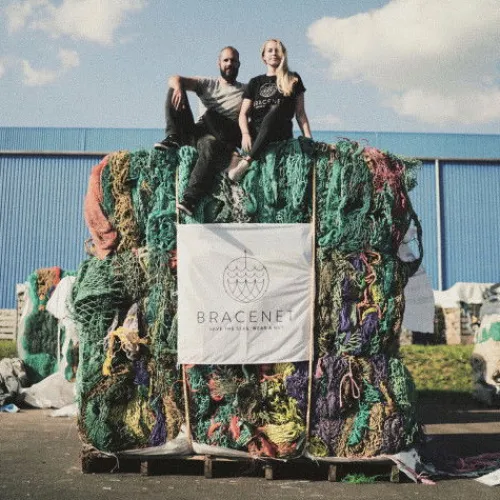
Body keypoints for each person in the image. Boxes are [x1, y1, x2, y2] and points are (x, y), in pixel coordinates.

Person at [154, 47, 245, 215]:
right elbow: (174, 78)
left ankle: (190, 199)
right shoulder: (207, 83)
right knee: (175, 88)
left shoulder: (245, 90)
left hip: (219, 135)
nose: (229, 64)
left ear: (239, 64)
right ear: (219, 63)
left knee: (209, 143)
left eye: (233, 61)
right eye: (226, 60)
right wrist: (179, 87)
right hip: (198, 129)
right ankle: (173, 137)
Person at [230, 39, 312, 182]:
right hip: (256, 132)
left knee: (275, 109)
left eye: (277, 50)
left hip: (279, 132)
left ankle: (246, 162)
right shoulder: (255, 82)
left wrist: (308, 138)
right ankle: (231, 159)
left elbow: (300, 113)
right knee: (212, 117)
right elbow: (243, 114)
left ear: (283, 55)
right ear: (263, 57)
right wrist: (245, 134)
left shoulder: (293, 78)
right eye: (270, 50)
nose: (274, 53)